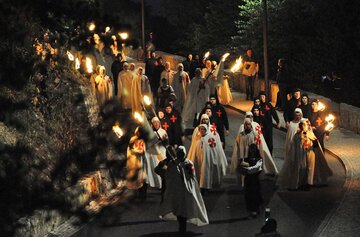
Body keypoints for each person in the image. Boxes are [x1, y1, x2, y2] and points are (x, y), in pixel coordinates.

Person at [158, 146, 209, 235]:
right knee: (178, 210)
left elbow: (190, 176)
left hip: (186, 191)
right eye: (178, 153)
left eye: (181, 154)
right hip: (176, 191)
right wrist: (165, 166)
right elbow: (167, 175)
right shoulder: (172, 163)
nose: (180, 155)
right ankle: (181, 227)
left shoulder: (188, 163)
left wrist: (181, 168)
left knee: (184, 210)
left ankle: (182, 229)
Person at [277, 118, 316, 190]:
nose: (303, 127)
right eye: (302, 125)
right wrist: (293, 155)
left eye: (305, 125)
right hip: (300, 155)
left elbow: (315, 143)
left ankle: (308, 183)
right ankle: (299, 183)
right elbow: (294, 146)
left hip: (309, 154)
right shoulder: (297, 135)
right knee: (300, 168)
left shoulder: (310, 134)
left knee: (308, 168)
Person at [238, 143, 263, 218]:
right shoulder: (247, 159)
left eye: (253, 150)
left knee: (254, 195)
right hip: (248, 180)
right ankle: (251, 210)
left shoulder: (259, 159)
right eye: (251, 150)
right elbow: (241, 168)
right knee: (248, 196)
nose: (252, 151)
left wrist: (248, 167)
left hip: (254, 181)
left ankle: (255, 210)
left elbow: (256, 168)